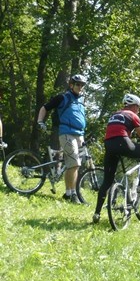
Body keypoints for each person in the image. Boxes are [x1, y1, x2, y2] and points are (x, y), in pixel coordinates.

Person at [92, 93, 140, 224]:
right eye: (138, 107)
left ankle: (97, 214)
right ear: (134, 106)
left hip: (109, 145)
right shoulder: (133, 115)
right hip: (122, 142)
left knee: (107, 182)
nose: (138, 110)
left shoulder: (114, 115)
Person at [37, 74, 88, 203]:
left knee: (73, 165)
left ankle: (68, 193)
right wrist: (40, 121)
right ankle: (72, 194)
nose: (80, 87)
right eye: (78, 84)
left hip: (79, 134)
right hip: (66, 132)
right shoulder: (62, 97)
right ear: (71, 85)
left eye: (82, 85)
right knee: (75, 163)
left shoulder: (82, 100)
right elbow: (45, 107)